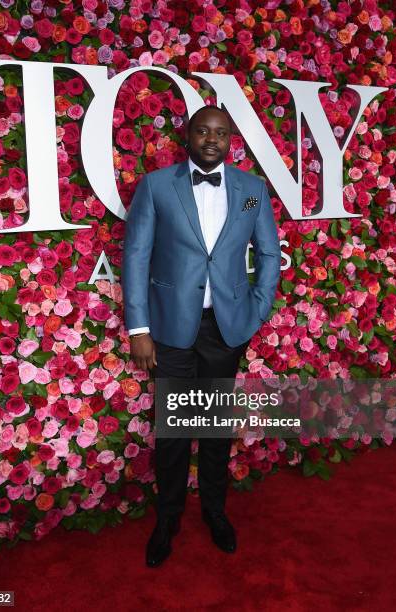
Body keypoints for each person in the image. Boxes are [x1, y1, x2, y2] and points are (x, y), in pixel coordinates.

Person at [122, 105, 281, 567]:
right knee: (173, 432)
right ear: (187, 135)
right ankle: (167, 518)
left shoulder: (251, 192)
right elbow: (135, 257)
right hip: (170, 329)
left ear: (230, 139)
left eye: (221, 133)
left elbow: (267, 251)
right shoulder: (156, 186)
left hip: (225, 330)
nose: (212, 139)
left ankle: (214, 511)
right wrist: (139, 328)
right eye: (203, 131)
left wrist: (257, 309)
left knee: (214, 429)